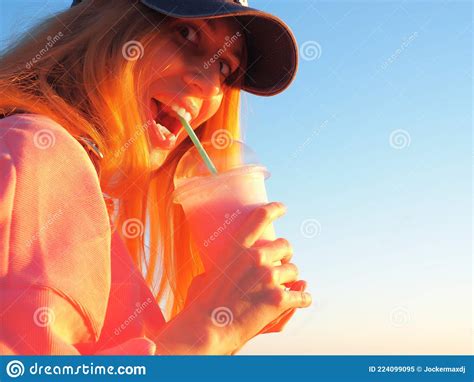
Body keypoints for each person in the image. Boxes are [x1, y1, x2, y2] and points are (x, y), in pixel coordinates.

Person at [0, 0, 312, 355]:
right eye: (186, 32)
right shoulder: (38, 153)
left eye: (224, 67)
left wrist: (223, 316)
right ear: (102, 20)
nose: (208, 83)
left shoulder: (78, 193)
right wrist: (209, 331)